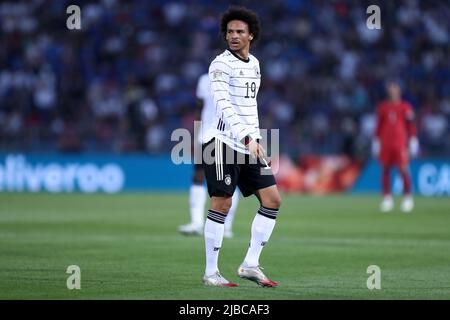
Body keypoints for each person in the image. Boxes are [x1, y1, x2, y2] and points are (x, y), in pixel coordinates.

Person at [200, 6, 281, 287]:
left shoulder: (255, 64)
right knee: (222, 203)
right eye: (230, 32)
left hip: (247, 142)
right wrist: (247, 136)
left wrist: (255, 138)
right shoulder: (220, 65)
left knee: (272, 200)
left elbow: (250, 107)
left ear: (251, 35)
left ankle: (250, 264)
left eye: (239, 32)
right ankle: (211, 273)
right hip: (220, 142)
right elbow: (224, 106)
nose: (233, 36)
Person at [178, 73, 239, 238]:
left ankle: (227, 226)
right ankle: (196, 223)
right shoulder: (205, 79)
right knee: (198, 175)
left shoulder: (237, 76)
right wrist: (195, 135)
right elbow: (200, 109)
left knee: (229, 180)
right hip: (205, 134)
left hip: (229, 135)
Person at [372, 81, 419, 212]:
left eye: (394, 89)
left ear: (399, 91)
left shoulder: (405, 107)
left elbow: (410, 125)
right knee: (385, 170)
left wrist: (413, 139)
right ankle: (387, 199)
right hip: (386, 143)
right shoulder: (383, 107)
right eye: (390, 89)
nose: (392, 92)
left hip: (400, 143)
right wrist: (376, 141)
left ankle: (408, 198)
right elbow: (379, 125)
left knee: (403, 169)